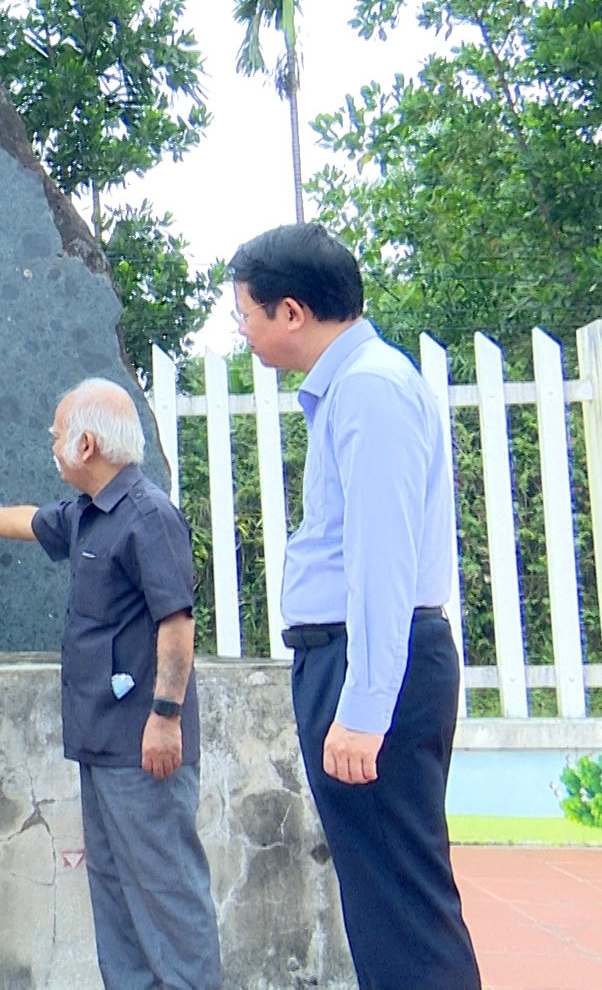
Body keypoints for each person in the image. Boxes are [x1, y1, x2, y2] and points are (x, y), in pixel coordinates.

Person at [232, 223, 481, 989]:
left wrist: (367, 705)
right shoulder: (357, 386)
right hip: (353, 658)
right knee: (387, 906)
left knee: (402, 909)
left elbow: (383, 559)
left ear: (293, 312)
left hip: (369, 663)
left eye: (245, 313)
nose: (242, 332)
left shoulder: (370, 388)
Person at [0, 378, 222, 990]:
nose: (52, 445)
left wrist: (165, 717)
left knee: (167, 899)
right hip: (102, 743)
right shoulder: (91, 513)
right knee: (115, 897)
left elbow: (177, 623)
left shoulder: (147, 517)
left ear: (86, 443)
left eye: (58, 435)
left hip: (144, 748)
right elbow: (33, 522)